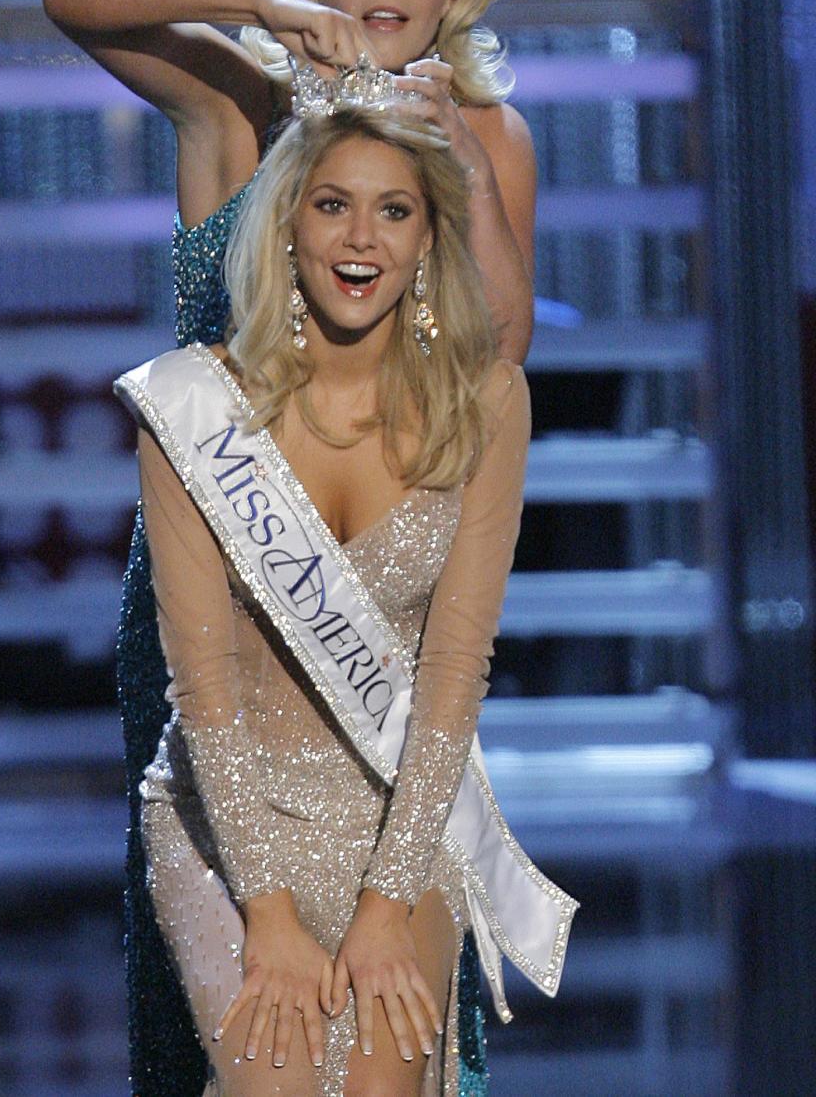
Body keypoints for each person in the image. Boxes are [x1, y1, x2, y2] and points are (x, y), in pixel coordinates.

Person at [40, 0, 541, 1094]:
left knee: (386, 1004)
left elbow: (501, 355)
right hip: (221, 567)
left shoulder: (489, 136)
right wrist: (251, 2)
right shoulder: (236, 104)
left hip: (384, 595)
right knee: (231, 1000)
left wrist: (459, 167)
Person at [113, 94, 575, 1097]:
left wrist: (386, 899)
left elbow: (455, 668)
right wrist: (269, 914)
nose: (362, 238)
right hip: (229, 822)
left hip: (397, 818)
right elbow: (202, 690)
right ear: (288, 223)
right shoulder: (193, 407)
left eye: (394, 211)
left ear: (427, 238)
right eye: (332, 205)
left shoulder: (487, 401)